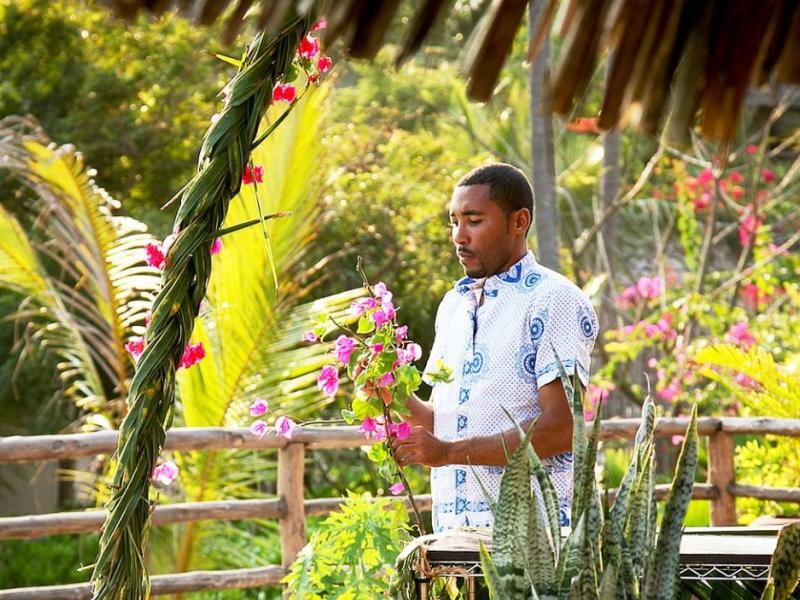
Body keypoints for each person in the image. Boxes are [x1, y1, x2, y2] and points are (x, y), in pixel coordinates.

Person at [390, 162, 598, 533]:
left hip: (535, 546)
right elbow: (444, 420)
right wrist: (389, 391)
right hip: (457, 540)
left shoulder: (554, 299)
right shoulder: (453, 306)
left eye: (473, 220)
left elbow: (562, 427)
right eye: (454, 221)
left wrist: (449, 453)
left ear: (519, 221)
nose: (458, 236)